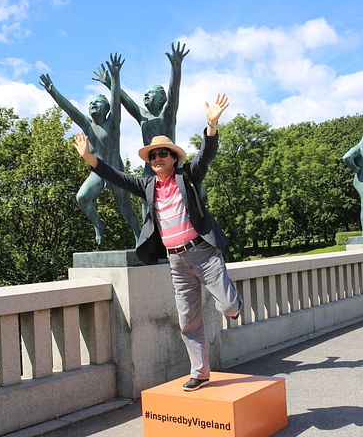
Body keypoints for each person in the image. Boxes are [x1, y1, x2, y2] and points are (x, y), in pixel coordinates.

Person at [72, 94, 242, 392]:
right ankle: (200, 372)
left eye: (163, 153)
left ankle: (234, 305)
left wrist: (211, 126)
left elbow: (207, 155)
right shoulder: (147, 185)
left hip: (203, 253)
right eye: (152, 156)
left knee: (228, 306)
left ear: (174, 157)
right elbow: (116, 176)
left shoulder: (188, 176)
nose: (157, 158)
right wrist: (90, 158)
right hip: (176, 262)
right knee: (188, 321)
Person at [40, 54, 140, 245]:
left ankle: (139, 237)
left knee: (125, 209)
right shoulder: (87, 125)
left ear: (106, 109)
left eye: (97, 103)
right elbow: (69, 109)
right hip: (97, 171)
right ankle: (98, 225)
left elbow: (116, 100)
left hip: (115, 171)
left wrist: (115, 77)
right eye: (91, 103)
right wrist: (53, 92)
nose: (92, 104)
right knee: (82, 197)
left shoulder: (112, 123)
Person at [92, 42, 188, 178]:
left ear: (162, 98)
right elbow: (125, 100)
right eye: (145, 94)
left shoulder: (167, 115)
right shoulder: (143, 116)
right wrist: (109, 81)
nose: (146, 95)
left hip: (170, 164)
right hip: (151, 166)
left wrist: (176, 66)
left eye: (151, 93)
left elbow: (174, 92)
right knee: (146, 197)